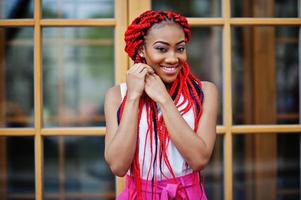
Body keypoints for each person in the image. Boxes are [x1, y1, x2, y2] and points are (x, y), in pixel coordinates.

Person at [104, 10, 218, 200]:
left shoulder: (205, 92)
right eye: (162, 49)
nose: (173, 58)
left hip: (187, 195)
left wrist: (163, 99)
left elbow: (199, 159)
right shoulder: (117, 95)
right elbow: (118, 166)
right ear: (142, 50)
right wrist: (133, 96)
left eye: (180, 48)